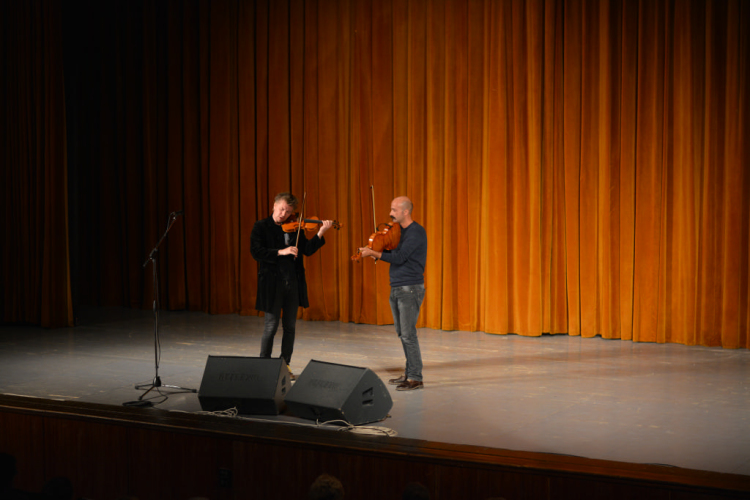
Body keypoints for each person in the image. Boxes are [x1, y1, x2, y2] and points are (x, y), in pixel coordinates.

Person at [251, 192, 333, 380]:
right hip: (272, 284)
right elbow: (257, 252)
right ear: (274, 205)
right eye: (281, 209)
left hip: (293, 283)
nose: (283, 214)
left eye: (288, 212)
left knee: (290, 327)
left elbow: (307, 250)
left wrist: (321, 232)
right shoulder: (261, 226)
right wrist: (282, 251)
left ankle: (284, 364)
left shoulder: (295, 229)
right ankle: (264, 364)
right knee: (271, 326)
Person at [358, 196, 427, 391]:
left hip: (409, 288)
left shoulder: (416, 232)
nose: (390, 213)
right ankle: (409, 373)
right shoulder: (397, 232)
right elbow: (393, 250)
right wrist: (379, 246)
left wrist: (373, 253)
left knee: (408, 334)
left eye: (394, 210)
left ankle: (415, 377)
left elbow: (400, 257)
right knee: (402, 333)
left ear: (406, 212)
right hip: (397, 286)